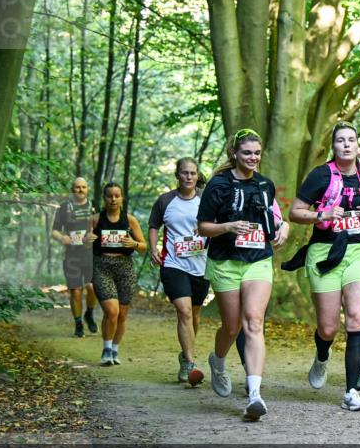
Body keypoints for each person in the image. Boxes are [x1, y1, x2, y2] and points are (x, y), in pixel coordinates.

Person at [285, 121, 360, 412]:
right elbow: (295, 212)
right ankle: (322, 357)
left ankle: (350, 392)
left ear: (356, 144)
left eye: (351, 140)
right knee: (327, 326)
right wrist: (321, 214)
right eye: (341, 141)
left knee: (357, 318)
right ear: (333, 146)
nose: (346, 145)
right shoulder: (321, 175)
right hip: (325, 251)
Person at [197, 128, 289, 421]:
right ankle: (218, 362)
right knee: (231, 326)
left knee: (254, 321)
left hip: (258, 259)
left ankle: (254, 395)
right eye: (247, 153)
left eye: (257, 153)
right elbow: (203, 227)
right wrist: (228, 226)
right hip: (225, 260)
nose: (252, 158)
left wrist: (283, 227)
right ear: (235, 154)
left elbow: (276, 217)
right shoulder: (218, 185)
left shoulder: (265, 184)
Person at [148, 158, 209, 385]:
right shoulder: (166, 200)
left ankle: (185, 355)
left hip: (200, 264)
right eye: (184, 173)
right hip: (173, 263)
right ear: (177, 175)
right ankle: (192, 364)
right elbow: (154, 225)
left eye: (193, 173)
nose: (189, 177)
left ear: (197, 175)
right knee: (183, 312)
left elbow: (216, 224)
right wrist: (153, 247)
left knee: (194, 315)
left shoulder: (205, 199)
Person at [88, 183, 147, 366]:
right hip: (102, 266)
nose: (113, 199)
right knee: (111, 310)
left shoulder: (130, 221)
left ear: (122, 198)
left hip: (125, 268)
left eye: (116, 196)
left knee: (121, 314)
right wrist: (85, 240)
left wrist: (134, 244)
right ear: (104, 199)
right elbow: (81, 243)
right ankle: (106, 349)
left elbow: (144, 247)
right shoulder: (95, 220)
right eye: (109, 196)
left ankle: (115, 349)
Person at [50, 177, 98, 337]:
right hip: (71, 256)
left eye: (84, 187)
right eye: (77, 187)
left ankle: (89, 314)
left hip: (90, 254)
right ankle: (78, 324)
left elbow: (102, 226)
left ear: (88, 189)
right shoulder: (64, 208)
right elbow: (54, 230)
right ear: (73, 189)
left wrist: (95, 235)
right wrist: (61, 238)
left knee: (93, 288)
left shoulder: (94, 206)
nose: (80, 190)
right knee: (76, 292)